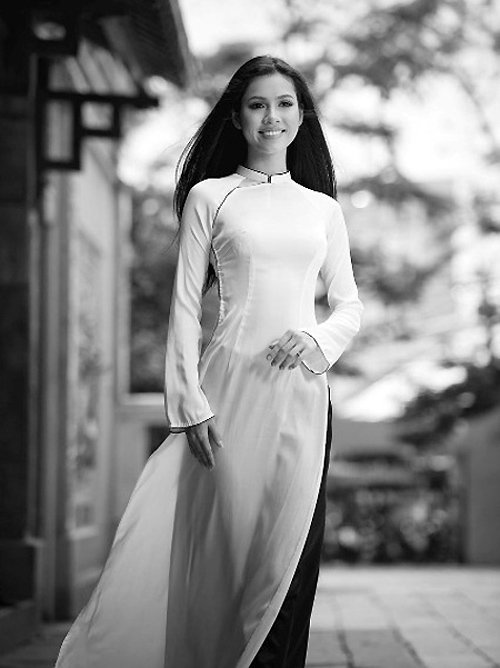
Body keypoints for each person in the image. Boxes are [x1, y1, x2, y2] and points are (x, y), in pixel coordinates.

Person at [55, 55, 363, 668]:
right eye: (257, 104)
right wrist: (187, 403)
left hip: (303, 395)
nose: (271, 117)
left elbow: (348, 305)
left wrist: (317, 341)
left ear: (302, 116)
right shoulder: (211, 197)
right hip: (226, 395)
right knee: (228, 551)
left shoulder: (323, 209)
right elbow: (183, 307)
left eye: (284, 104)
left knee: (291, 555)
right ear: (237, 117)